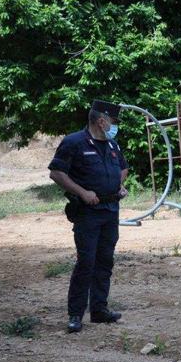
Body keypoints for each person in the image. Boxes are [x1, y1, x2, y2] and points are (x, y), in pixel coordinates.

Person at [48, 100, 128, 333]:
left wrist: (119, 185)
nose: (115, 126)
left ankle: (99, 310)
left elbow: (123, 168)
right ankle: (75, 314)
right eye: (113, 121)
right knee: (86, 262)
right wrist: (82, 192)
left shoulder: (112, 144)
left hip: (110, 210)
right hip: (87, 213)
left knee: (105, 261)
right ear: (101, 121)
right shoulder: (74, 142)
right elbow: (56, 173)